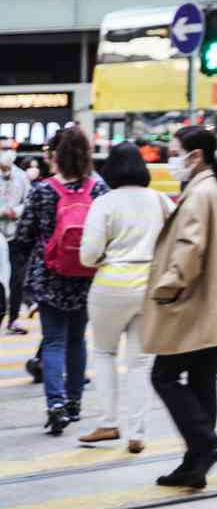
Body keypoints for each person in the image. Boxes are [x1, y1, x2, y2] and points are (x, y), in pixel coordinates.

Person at [144, 126, 217, 489]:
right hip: (211, 305)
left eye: (174, 151)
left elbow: (190, 246)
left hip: (191, 303)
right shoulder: (215, 190)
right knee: (202, 380)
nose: (171, 159)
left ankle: (207, 443)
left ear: (194, 155)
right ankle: (195, 464)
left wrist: (168, 286)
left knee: (163, 375)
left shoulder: (200, 193)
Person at [77, 142, 174, 454]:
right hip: (150, 287)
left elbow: (88, 256)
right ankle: (137, 432)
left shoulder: (104, 203)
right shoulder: (161, 201)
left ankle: (108, 423)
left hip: (111, 285)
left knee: (104, 353)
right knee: (139, 363)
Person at [16, 127, 108, 435]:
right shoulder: (98, 188)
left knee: (53, 341)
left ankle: (55, 404)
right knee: (77, 339)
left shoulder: (42, 189)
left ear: (56, 155)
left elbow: (25, 235)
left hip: (50, 274)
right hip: (86, 274)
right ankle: (74, 402)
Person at [0, 150, 30, 335]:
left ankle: (14, 319)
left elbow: (29, 201)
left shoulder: (21, 177)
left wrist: (16, 211)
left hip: (14, 234)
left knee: (16, 278)